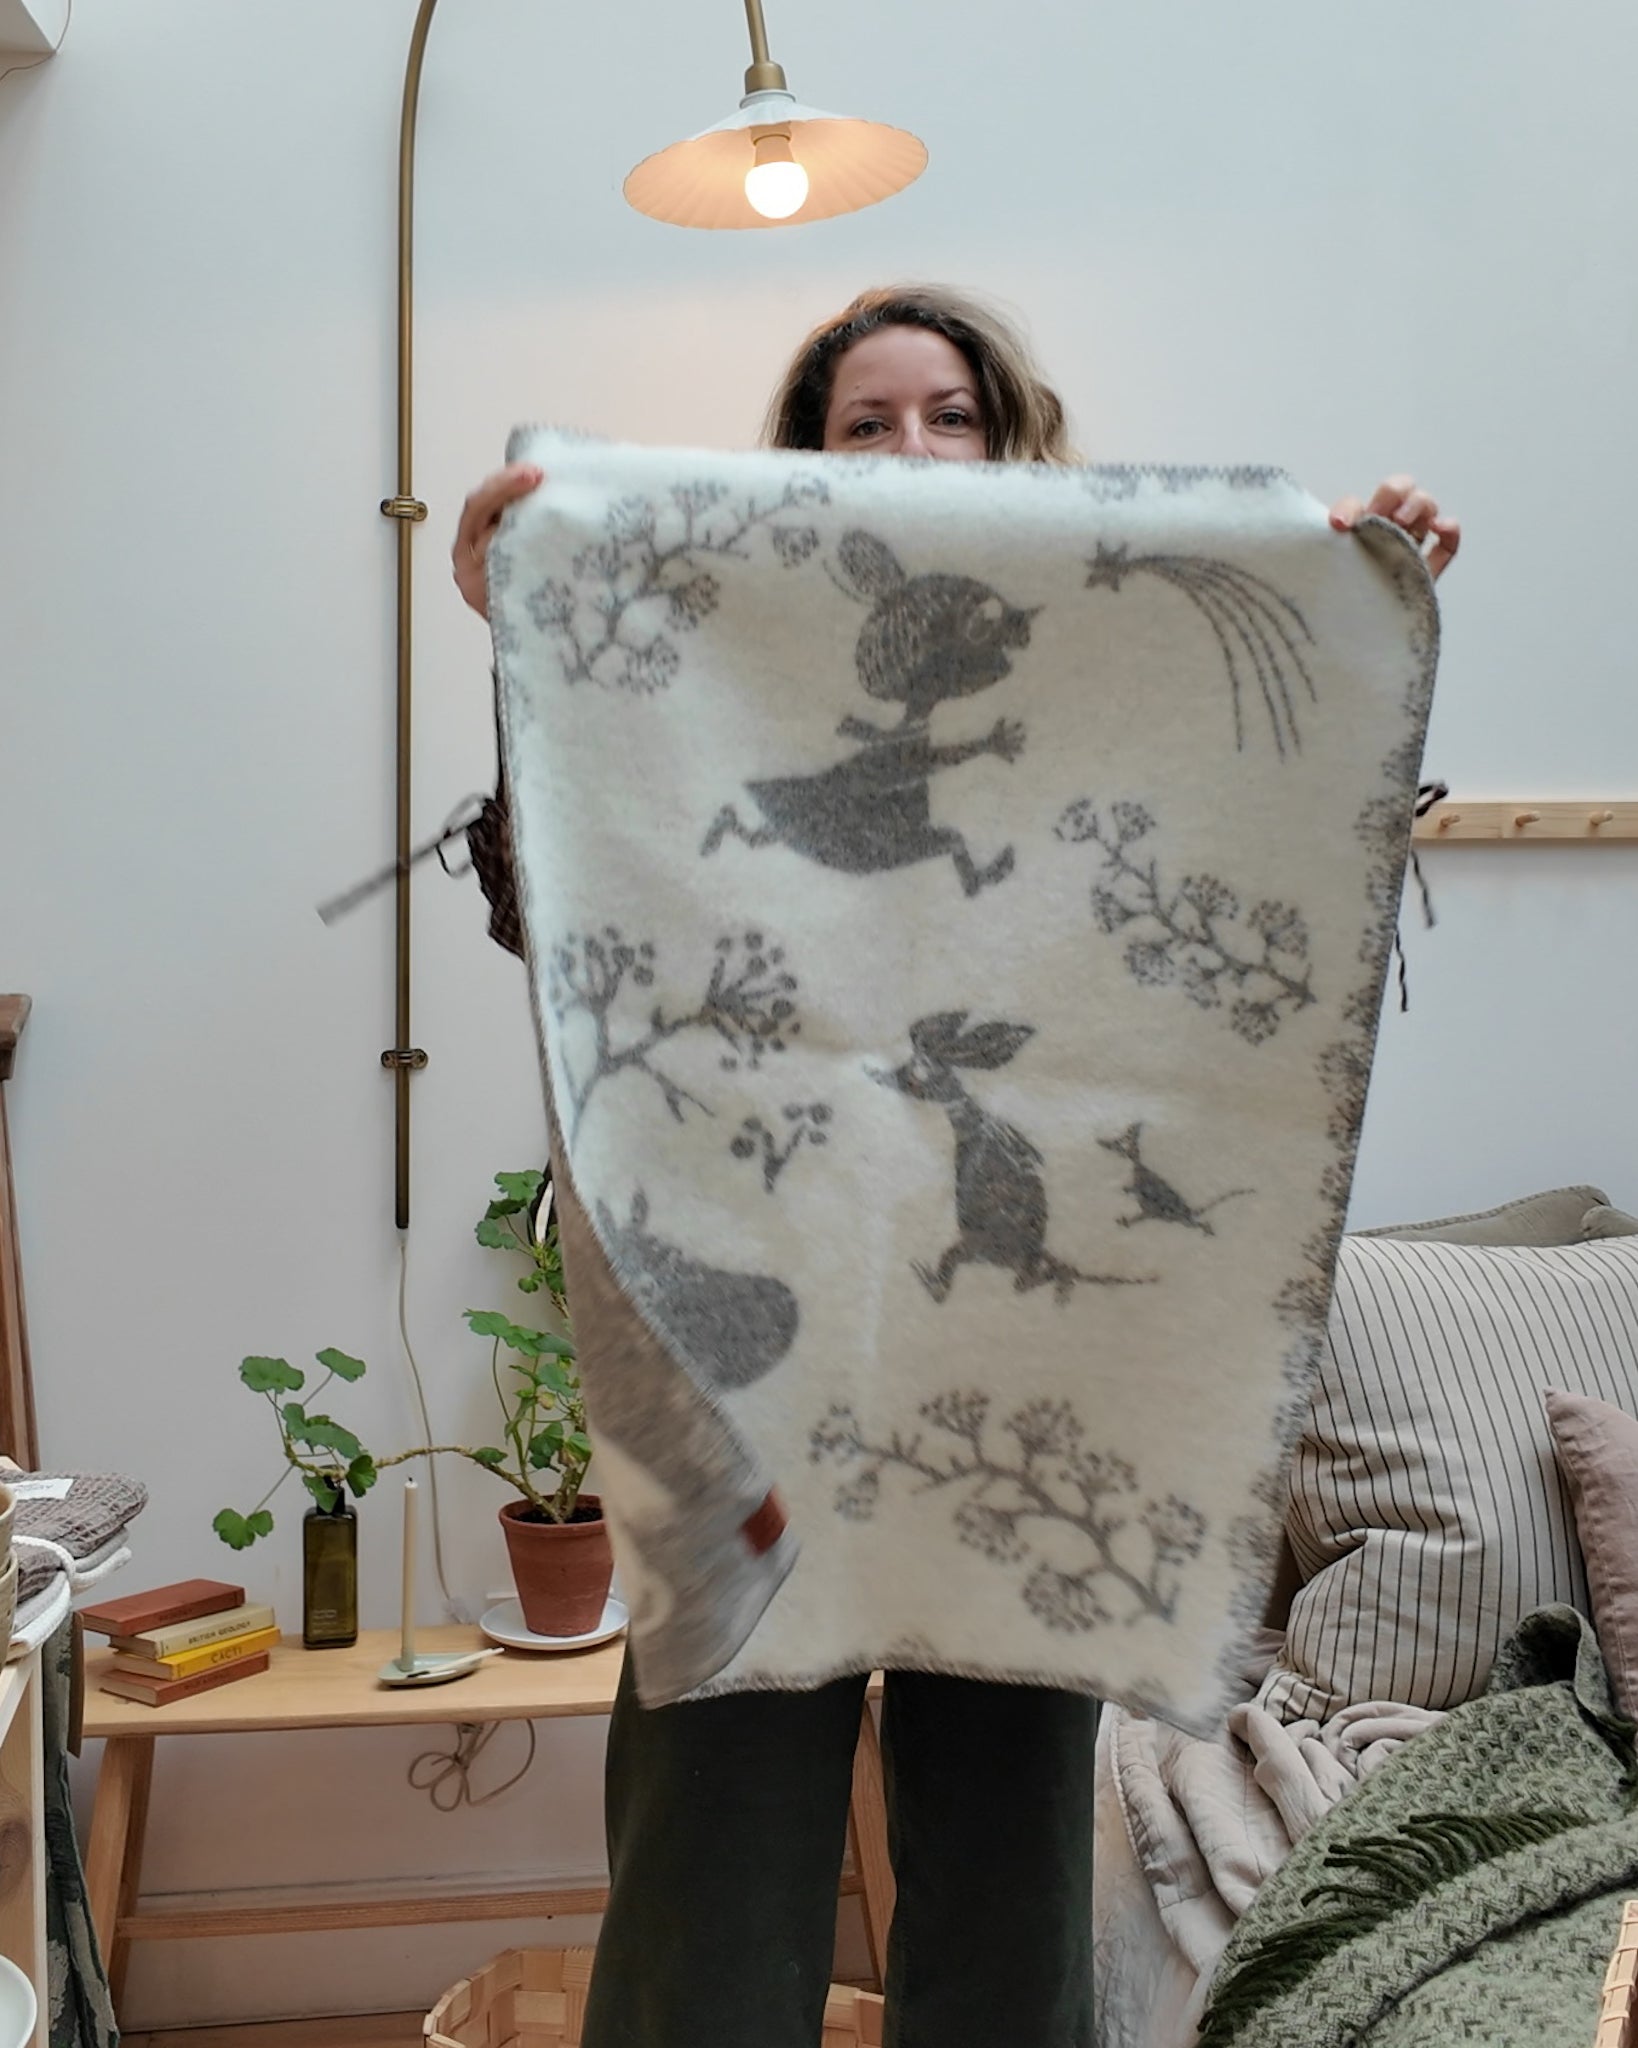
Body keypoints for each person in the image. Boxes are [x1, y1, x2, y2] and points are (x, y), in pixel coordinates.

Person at [449, 285, 1460, 2048]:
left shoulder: (1099, 700)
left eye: (951, 419)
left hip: (1018, 1369)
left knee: (1003, 1874)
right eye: (864, 423)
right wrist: (539, 626)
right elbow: (580, 922)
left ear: (1013, 450)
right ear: (804, 463)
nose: (911, 450)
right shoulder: (719, 691)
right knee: (708, 1858)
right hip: (755, 1353)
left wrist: (1359, 590)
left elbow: (1257, 881)